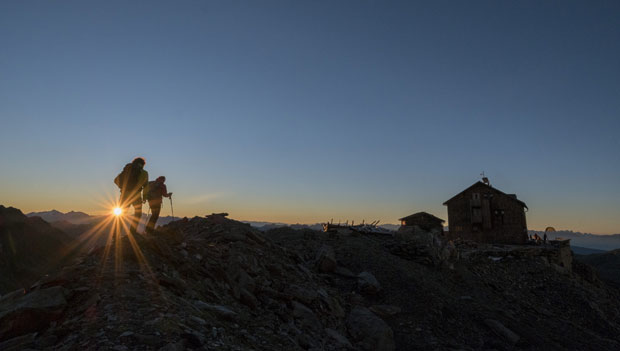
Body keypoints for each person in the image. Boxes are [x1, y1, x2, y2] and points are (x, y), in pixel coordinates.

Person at [114, 157, 149, 234]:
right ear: (143, 164)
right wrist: (144, 197)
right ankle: (133, 232)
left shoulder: (127, 170)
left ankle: (116, 235)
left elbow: (116, 180)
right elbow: (146, 186)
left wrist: (122, 188)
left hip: (124, 195)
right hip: (136, 196)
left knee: (122, 215)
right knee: (138, 214)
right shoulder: (144, 173)